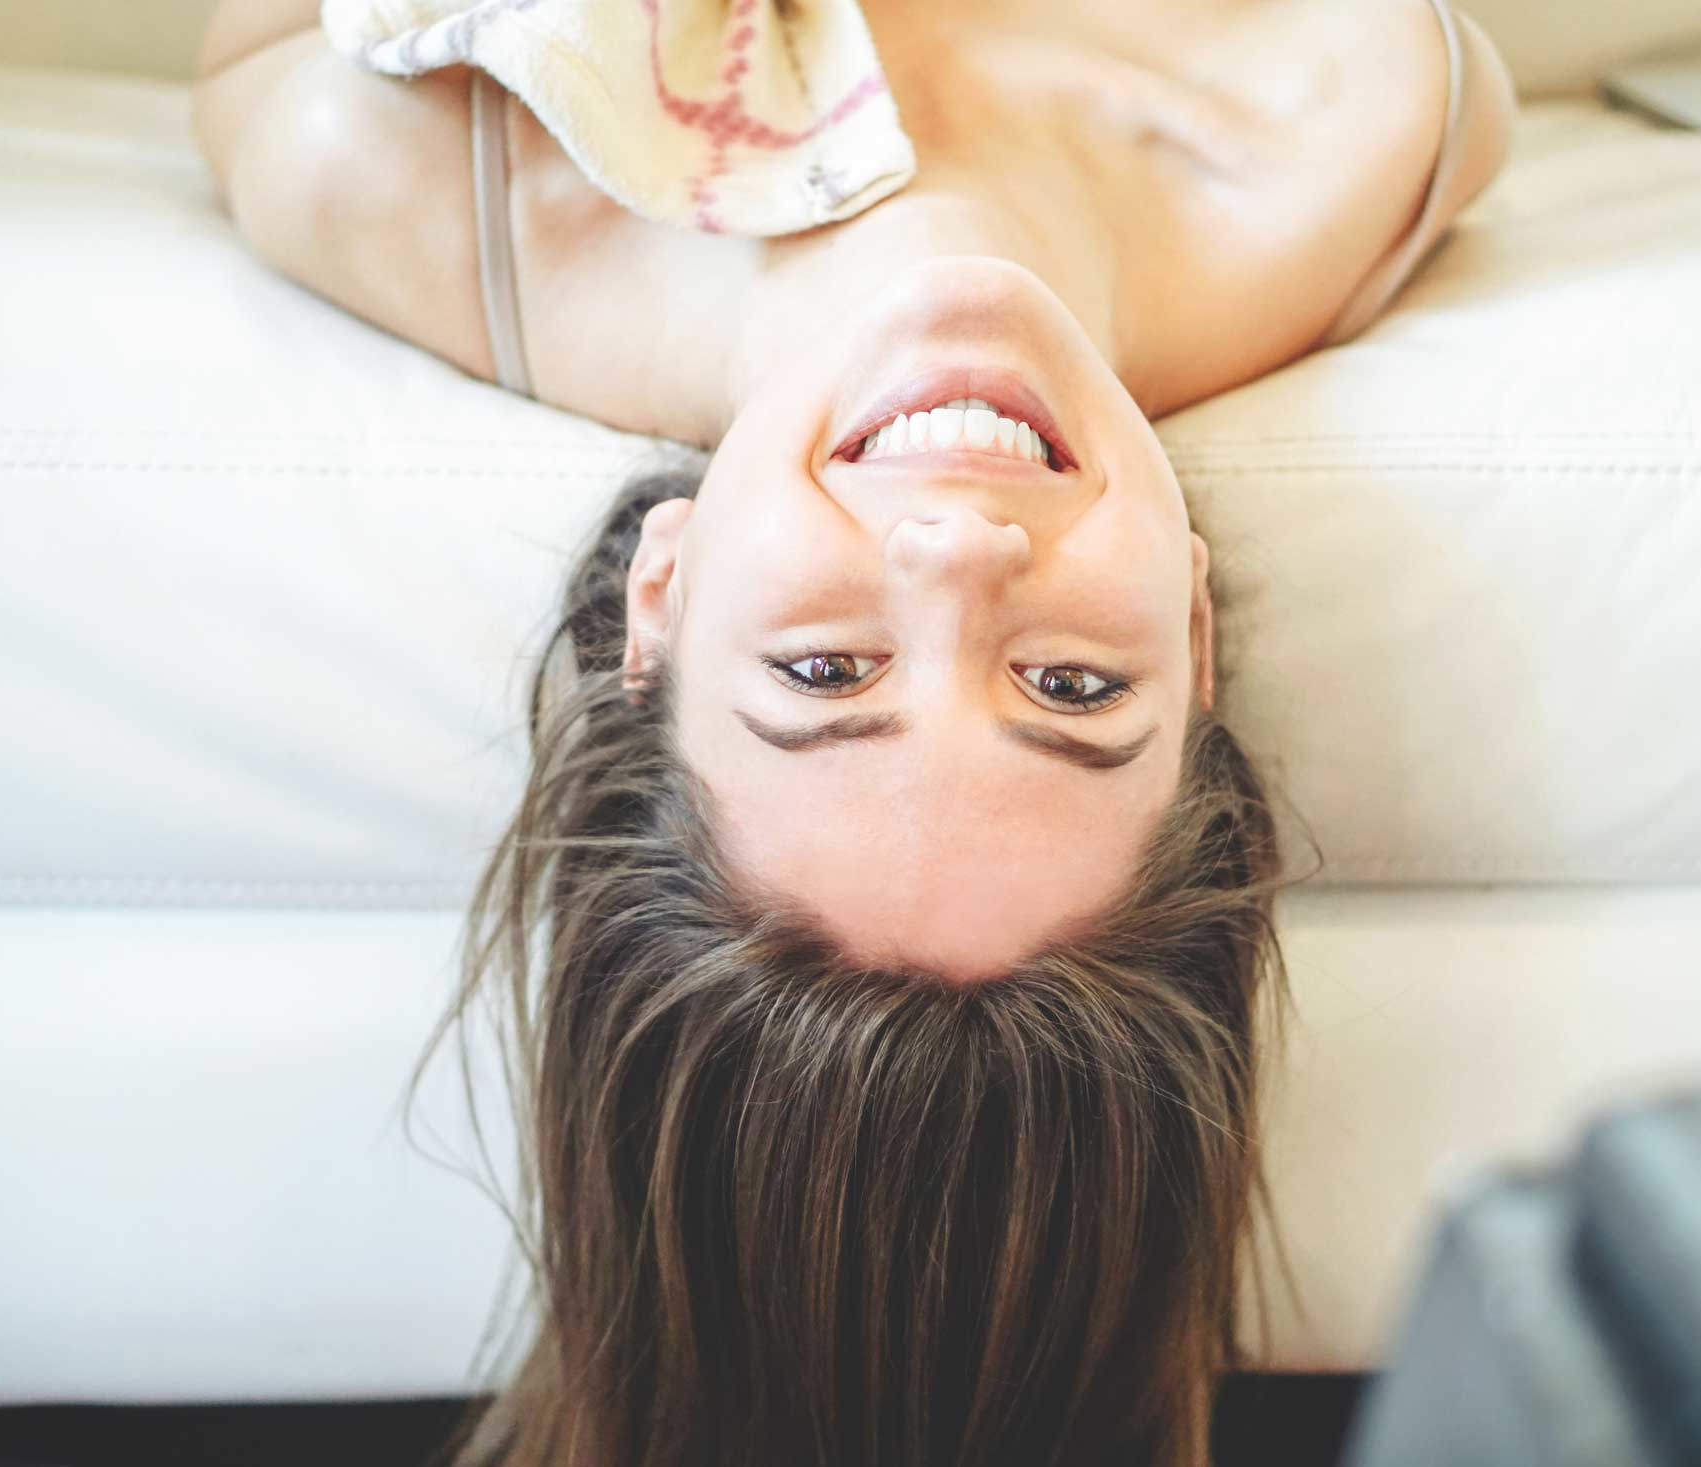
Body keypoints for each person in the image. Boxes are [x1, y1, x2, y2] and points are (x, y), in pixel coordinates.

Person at [193, 4, 1515, 1464]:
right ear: (1189, 632)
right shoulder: (1372, 118)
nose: (957, 556)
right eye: (1071, 690)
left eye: (826, 671)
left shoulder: (393, 153)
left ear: (668, 594)